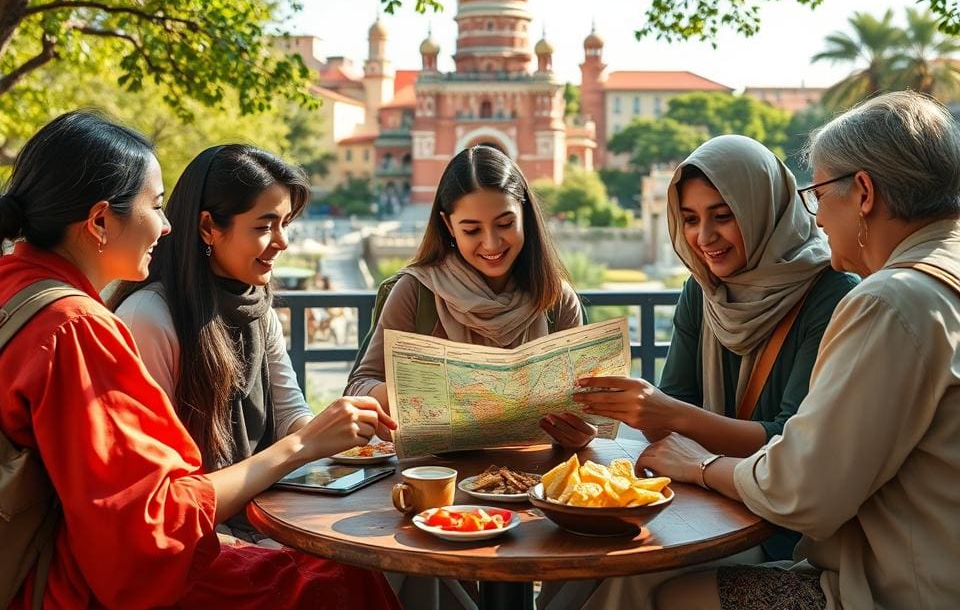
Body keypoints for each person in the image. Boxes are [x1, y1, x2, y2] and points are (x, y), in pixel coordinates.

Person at [0, 112, 399, 609]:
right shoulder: (78, 328)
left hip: (49, 563)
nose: (168, 226)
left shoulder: (19, 292)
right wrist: (299, 446)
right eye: (156, 206)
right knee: (345, 582)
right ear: (100, 221)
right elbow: (154, 522)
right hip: (72, 584)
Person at [645, 93, 960, 610]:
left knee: (663, 593)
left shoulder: (889, 300)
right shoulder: (939, 273)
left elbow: (801, 491)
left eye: (817, 195)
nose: (817, 218)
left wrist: (701, 465)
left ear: (863, 193)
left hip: (897, 586)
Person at [545, 135, 857, 610]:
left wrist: (669, 414)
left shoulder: (831, 294)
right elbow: (672, 416)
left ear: (763, 209)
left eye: (723, 216)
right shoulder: (704, 289)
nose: (704, 238)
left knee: (630, 577)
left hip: (779, 525)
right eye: (690, 219)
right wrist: (611, 416)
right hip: (705, 503)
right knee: (575, 554)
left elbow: (789, 445)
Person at [109, 145, 316, 543]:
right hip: (195, 534)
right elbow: (151, 488)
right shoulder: (149, 318)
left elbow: (291, 413)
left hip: (264, 516)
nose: (283, 241)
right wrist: (306, 443)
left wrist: (339, 435)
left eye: (286, 223)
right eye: (264, 227)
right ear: (208, 227)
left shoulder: (257, 307)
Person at [345, 144, 595, 449]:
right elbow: (359, 386)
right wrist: (417, 396)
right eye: (472, 230)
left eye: (505, 224)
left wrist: (581, 432)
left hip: (536, 472)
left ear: (525, 215)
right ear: (448, 225)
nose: (491, 243)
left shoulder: (557, 298)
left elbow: (580, 404)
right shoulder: (416, 291)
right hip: (435, 472)